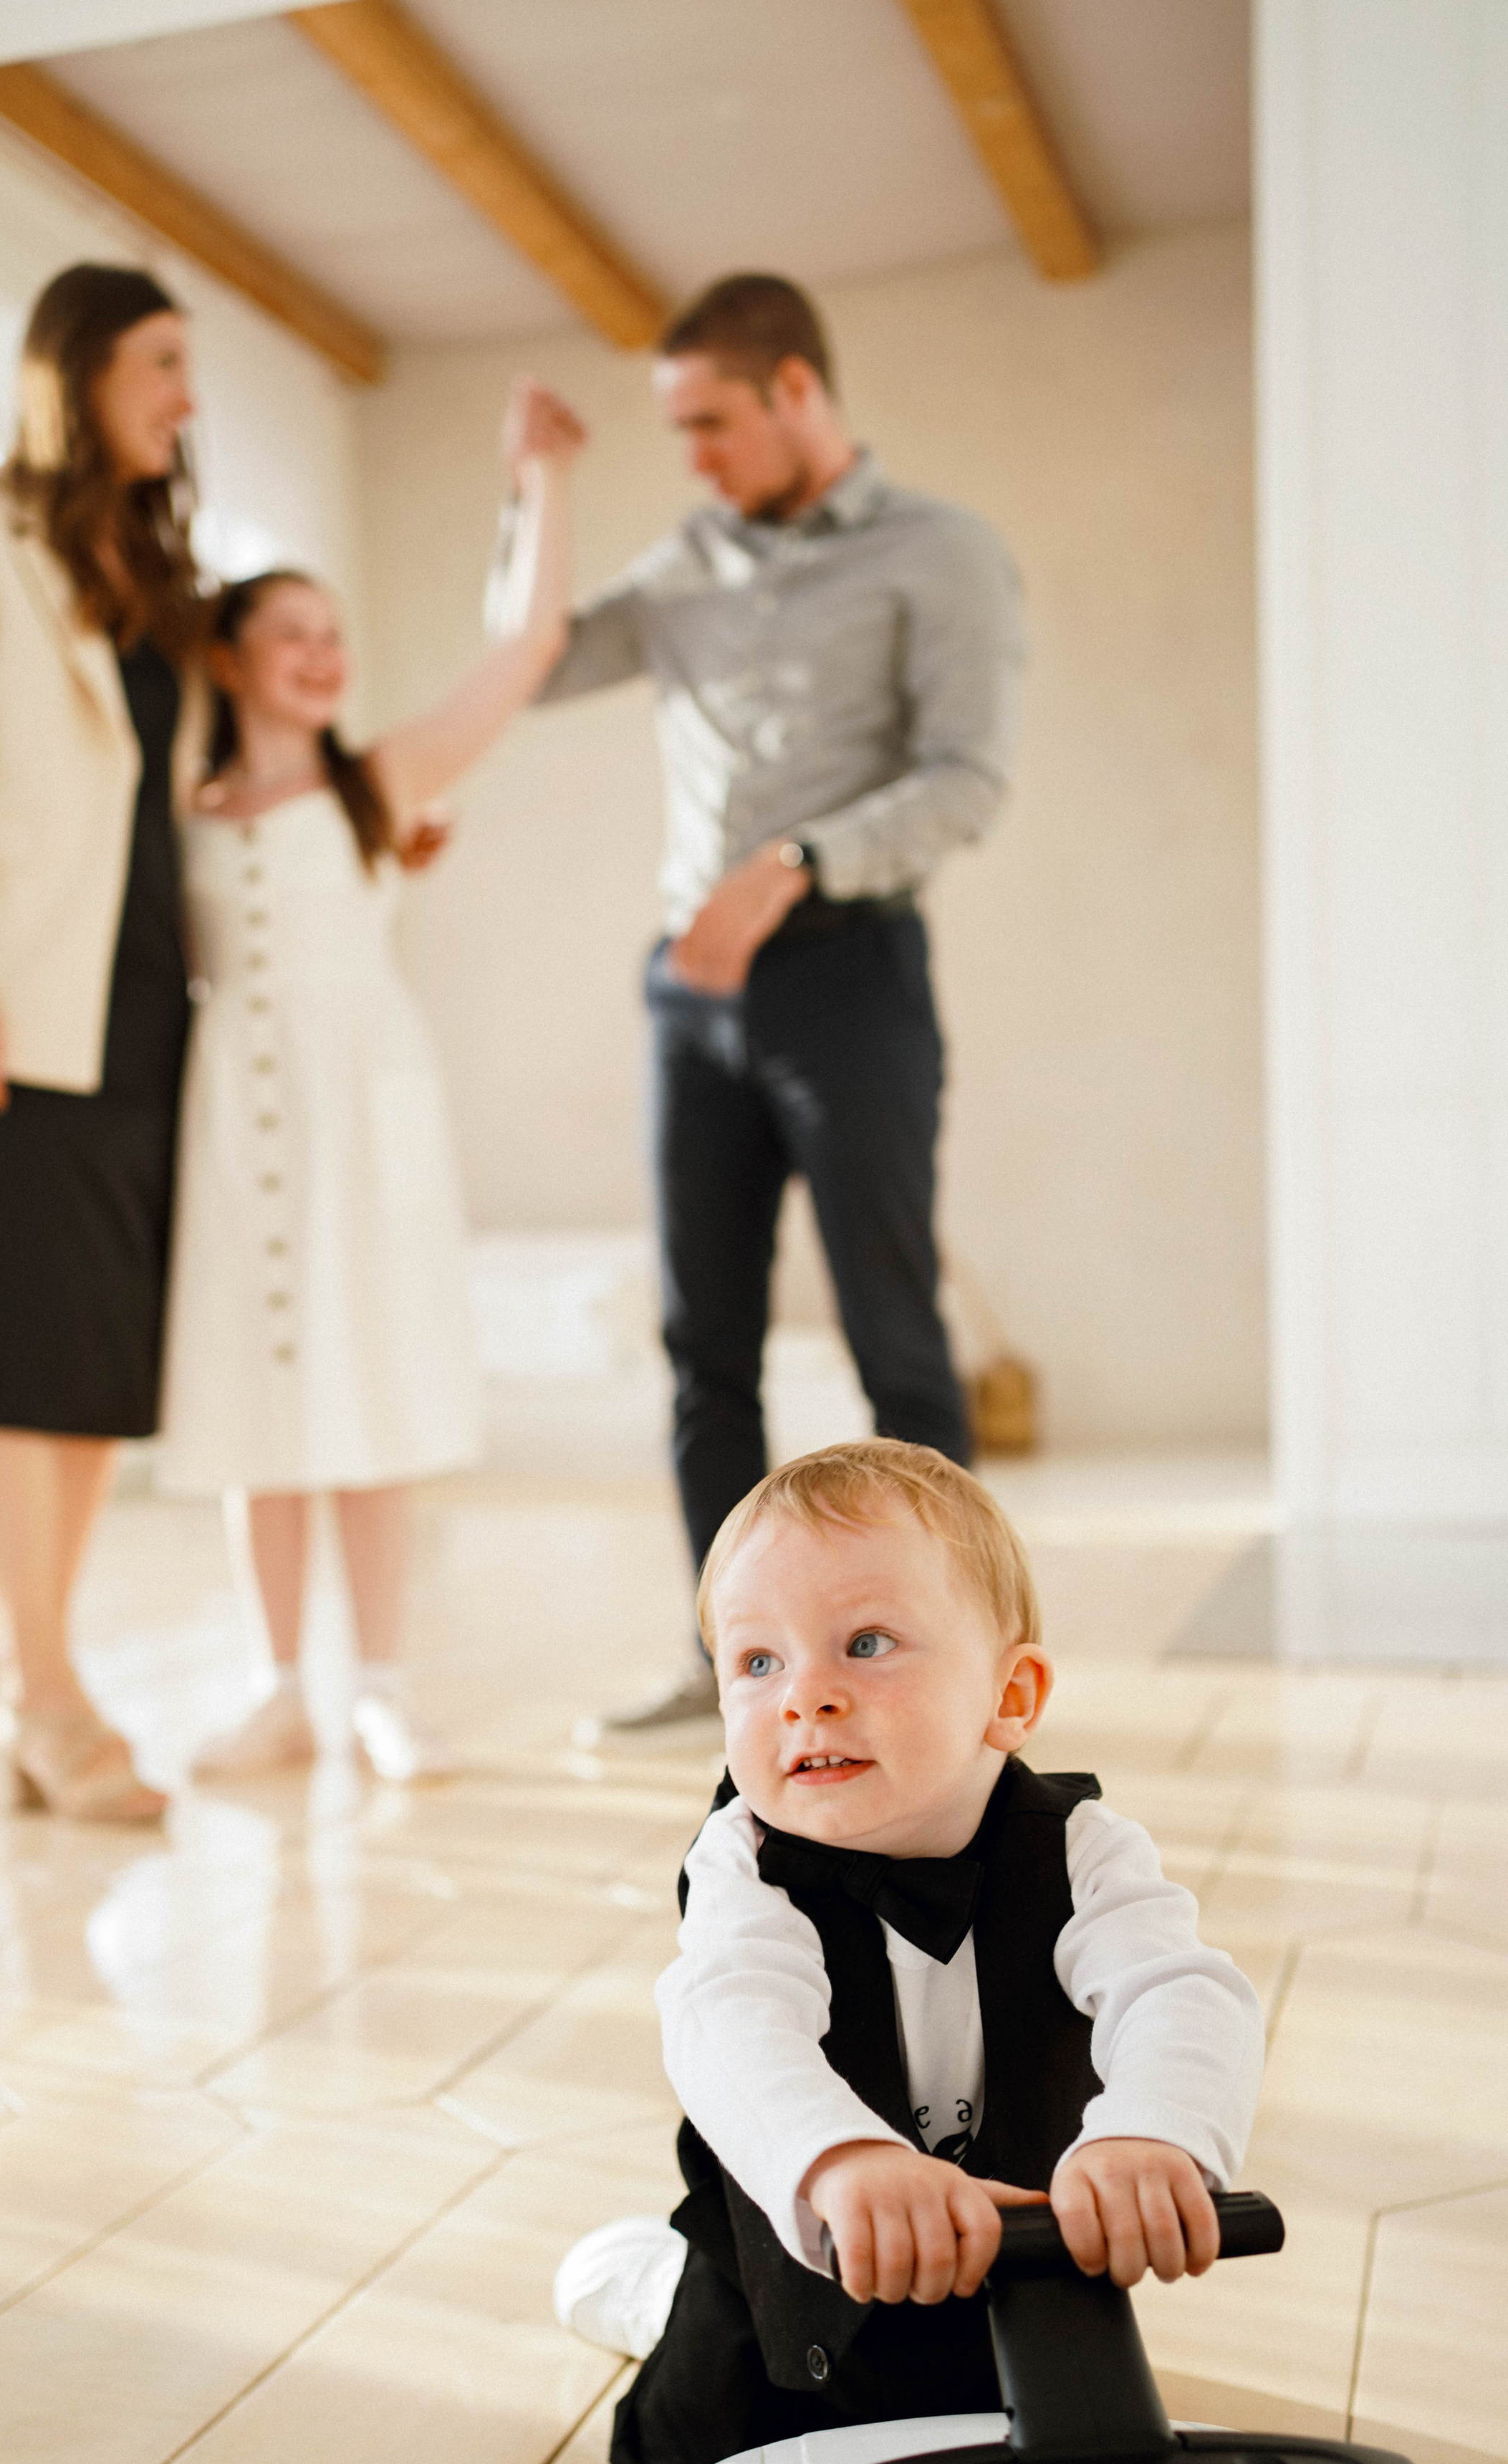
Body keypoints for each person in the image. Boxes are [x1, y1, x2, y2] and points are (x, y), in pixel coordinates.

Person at [492, 274, 1027, 1736]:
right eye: (676, 433)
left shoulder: (941, 554)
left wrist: (793, 867)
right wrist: (538, 487)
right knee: (700, 1344)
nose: (697, 461)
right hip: (689, 992)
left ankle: (956, 1677)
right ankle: (732, 1666)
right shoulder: (684, 566)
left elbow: (966, 777)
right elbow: (526, 662)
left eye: (713, 424)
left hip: (846, 968)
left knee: (889, 1333)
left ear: (797, 390)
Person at [547, 1439, 1263, 2464]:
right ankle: (662, 2295)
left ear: (1010, 1694)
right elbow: (729, 2020)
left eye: (866, 1644)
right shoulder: (745, 1863)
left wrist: (1153, 2132)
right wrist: (840, 2161)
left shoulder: (1085, 1850)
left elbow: (1178, 1988)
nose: (808, 1699)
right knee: (700, 2460)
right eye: (757, 1663)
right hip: (783, 2276)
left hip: (1003, 2253)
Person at [159, 381, 587, 1783]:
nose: (321, 657)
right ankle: (280, 1686)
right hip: (233, 1107)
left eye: (335, 637)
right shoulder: (178, 809)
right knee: (254, 1399)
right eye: (290, 634)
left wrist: (538, 484)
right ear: (224, 654)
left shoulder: (381, 784)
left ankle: (380, 1688)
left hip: (361, 1101)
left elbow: (523, 649)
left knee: (368, 1383)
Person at [0, 263, 211, 1822]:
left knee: (82, 1373)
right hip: (8, 1005)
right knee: (17, 1363)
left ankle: (39, 1677)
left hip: (141, 1010)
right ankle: (41, 1692)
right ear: (77, 371)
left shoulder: (147, 566)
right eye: (159, 365)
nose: (183, 399)